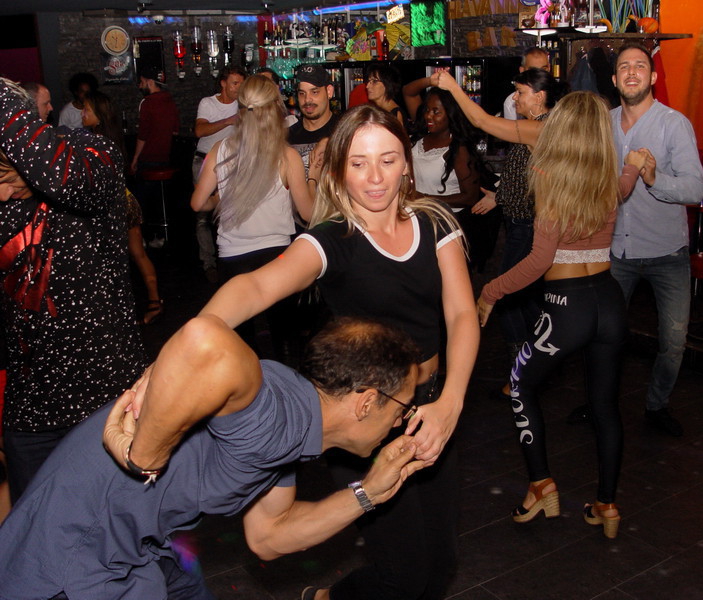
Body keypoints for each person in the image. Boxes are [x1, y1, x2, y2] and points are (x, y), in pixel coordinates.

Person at [201, 104, 479, 600]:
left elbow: (461, 314)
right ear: (338, 171)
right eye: (358, 163)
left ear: (406, 163)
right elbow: (255, 287)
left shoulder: (434, 223)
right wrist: (192, 342)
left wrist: (450, 403)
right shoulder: (333, 238)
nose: (375, 177)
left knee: (440, 566)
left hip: (433, 407)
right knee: (403, 575)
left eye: (388, 160)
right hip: (363, 417)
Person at [0, 316, 427, 599]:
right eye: (402, 407)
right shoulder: (279, 419)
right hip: (77, 549)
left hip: (139, 544)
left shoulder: (293, 424)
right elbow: (204, 340)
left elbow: (270, 536)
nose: (400, 421)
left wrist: (369, 492)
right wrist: (143, 456)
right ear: (366, 402)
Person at [477, 91, 646, 539]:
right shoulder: (606, 177)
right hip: (609, 302)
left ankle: (541, 485)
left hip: (566, 307)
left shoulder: (550, 178)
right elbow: (624, 186)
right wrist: (634, 165)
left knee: (519, 384)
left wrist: (490, 293)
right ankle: (607, 505)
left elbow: (538, 262)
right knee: (605, 406)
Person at [0, 78, 146, 503]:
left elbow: (74, 181)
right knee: (34, 528)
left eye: (6, 175)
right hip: (30, 408)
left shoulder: (91, 151)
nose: (3, 192)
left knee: (117, 526)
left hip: (107, 399)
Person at [569, 42, 703, 437]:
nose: (632, 72)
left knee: (673, 340)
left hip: (667, 251)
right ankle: (598, 402)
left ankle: (657, 405)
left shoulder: (674, 124)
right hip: (615, 251)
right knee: (601, 334)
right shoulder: (602, 124)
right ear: (614, 79)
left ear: (653, 76)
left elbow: (695, 188)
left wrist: (654, 179)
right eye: (624, 66)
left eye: (640, 66)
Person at [191, 76, 313, 360]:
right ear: (275, 109)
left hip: (233, 256)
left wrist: (218, 199)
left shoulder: (219, 150)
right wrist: (315, 177)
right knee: (284, 337)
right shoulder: (287, 156)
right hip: (277, 257)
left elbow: (198, 203)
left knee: (241, 343)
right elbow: (307, 213)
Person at [472, 68, 569, 400]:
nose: (515, 97)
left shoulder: (540, 128)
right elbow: (523, 177)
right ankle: (544, 355)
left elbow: (482, 121)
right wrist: (497, 196)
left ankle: (523, 375)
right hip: (518, 223)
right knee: (525, 300)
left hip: (529, 226)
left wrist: (452, 88)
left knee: (509, 298)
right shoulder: (535, 126)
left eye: (520, 92)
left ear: (539, 97)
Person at [82, 90, 164, 325]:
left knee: (113, 260)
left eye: (87, 109)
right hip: (125, 201)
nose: (82, 113)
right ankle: (154, 302)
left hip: (115, 206)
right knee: (137, 255)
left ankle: (120, 311)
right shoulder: (110, 138)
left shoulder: (97, 143)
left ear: (99, 115)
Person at [403, 76, 497, 271]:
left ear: (451, 114)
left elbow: (469, 197)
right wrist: (432, 80)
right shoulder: (420, 138)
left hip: (446, 224)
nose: (429, 116)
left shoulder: (458, 149)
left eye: (436, 112)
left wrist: (426, 199)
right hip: (417, 219)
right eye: (427, 110)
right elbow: (407, 91)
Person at [192, 66, 246, 283]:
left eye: (241, 84)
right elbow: (199, 130)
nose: (238, 88)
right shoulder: (208, 103)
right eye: (235, 83)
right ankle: (209, 263)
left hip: (231, 162)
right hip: (205, 160)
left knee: (230, 211)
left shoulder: (243, 104)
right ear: (223, 83)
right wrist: (228, 121)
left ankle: (230, 259)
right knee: (203, 216)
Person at [288, 64, 340, 197]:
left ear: (329, 91)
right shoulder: (287, 137)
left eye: (314, 92)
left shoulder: (344, 131)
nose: (307, 100)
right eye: (302, 93)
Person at [131, 66, 180, 174]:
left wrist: (135, 158)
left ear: (150, 82)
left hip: (148, 158)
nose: (140, 86)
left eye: (142, 82)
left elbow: (142, 135)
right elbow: (175, 131)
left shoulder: (147, 103)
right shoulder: (170, 101)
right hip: (166, 157)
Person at [503, 47, 550, 120]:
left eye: (543, 69)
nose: (539, 74)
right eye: (533, 70)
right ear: (522, 70)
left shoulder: (561, 99)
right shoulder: (512, 102)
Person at [365, 63, 409, 130]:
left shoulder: (395, 115)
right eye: (368, 81)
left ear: (387, 85)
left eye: (374, 81)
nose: (367, 86)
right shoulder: (378, 110)